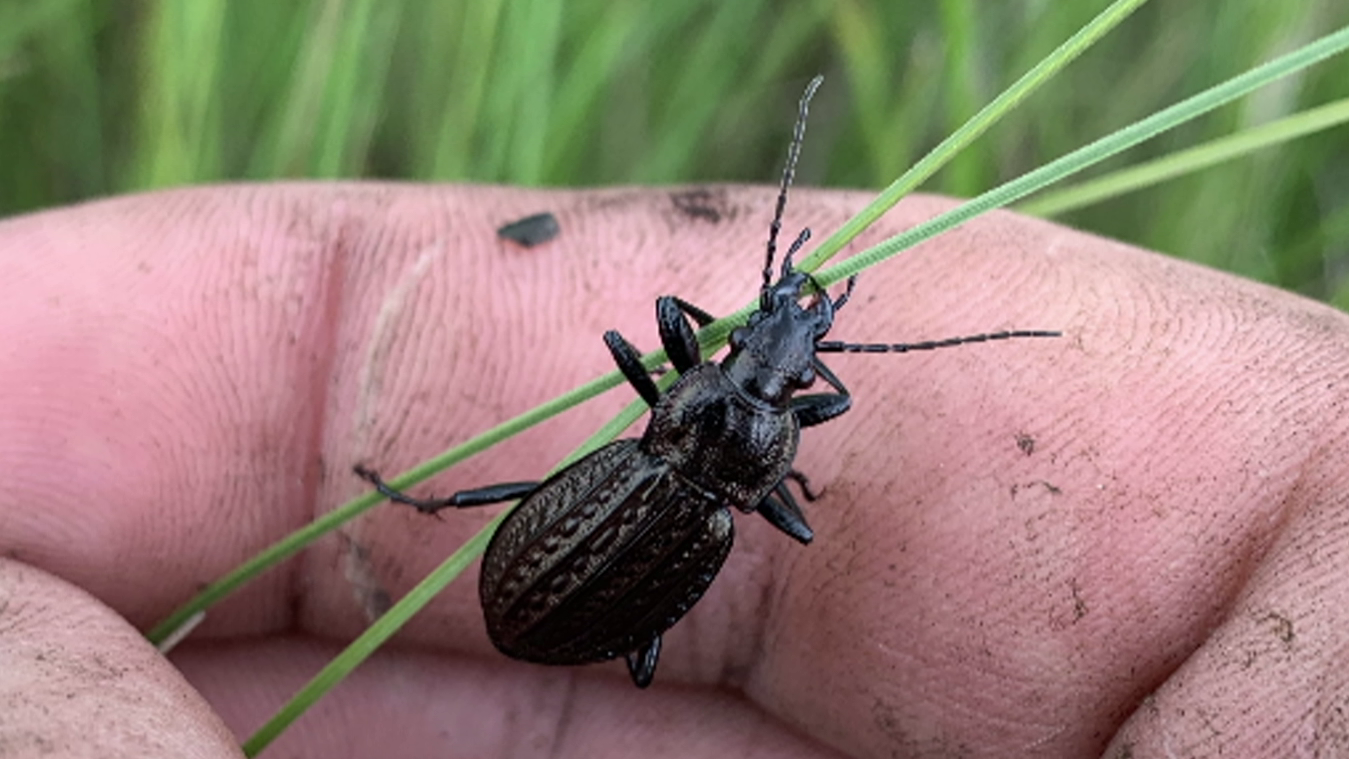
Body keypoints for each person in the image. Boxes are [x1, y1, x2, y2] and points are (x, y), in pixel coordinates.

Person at [1, 184, 1345, 758]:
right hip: (633, 546)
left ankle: (419, 501)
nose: (787, 341)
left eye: (785, 350)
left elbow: (714, 363)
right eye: (776, 339)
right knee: (571, 574)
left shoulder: (689, 423)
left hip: (620, 530)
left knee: (508, 517)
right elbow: (790, 408)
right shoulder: (738, 477)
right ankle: (439, 513)